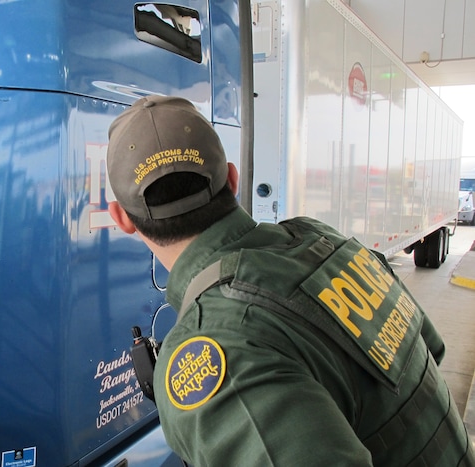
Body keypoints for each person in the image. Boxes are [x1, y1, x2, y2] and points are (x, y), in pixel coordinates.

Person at [106, 95, 475, 466]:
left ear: (121, 218)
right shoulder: (321, 241)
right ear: (232, 179)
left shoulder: (214, 343)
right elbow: (429, 349)